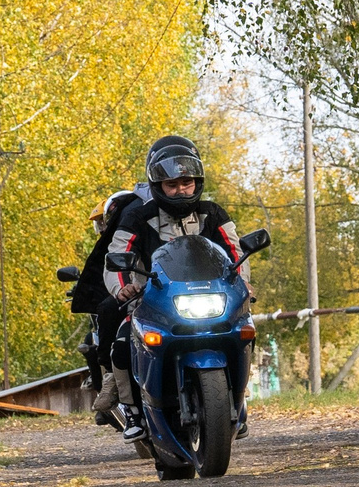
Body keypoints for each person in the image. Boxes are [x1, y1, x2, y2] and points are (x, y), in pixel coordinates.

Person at [103, 136, 258, 439]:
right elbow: (116, 254)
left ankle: (239, 399)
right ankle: (132, 410)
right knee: (122, 340)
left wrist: (244, 280)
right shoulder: (138, 217)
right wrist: (122, 288)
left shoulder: (212, 213)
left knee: (245, 329)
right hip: (153, 300)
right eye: (172, 185)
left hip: (211, 298)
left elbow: (235, 251)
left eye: (186, 182)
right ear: (158, 185)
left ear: (197, 180)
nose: (180, 190)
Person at [73, 172, 147, 438]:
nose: (103, 226)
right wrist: (124, 288)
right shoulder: (120, 236)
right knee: (110, 321)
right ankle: (112, 382)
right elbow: (110, 267)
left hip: (176, 294)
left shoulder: (151, 220)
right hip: (134, 295)